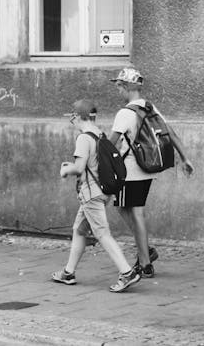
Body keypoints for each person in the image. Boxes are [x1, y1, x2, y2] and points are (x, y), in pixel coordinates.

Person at [109, 68, 194, 277]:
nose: (118, 90)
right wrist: (185, 158)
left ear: (128, 87)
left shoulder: (125, 113)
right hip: (148, 168)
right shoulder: (150, 108)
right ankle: (145, 254)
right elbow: (170, 133)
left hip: (129, 170)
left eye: (120, 86)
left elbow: (111, 144)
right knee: (132, 210)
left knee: (126, 209)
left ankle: (145, 260)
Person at [52, 100, 141, 293]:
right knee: (79, 230)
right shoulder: (100, 134)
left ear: (76, 117)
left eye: (72, 118)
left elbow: (79, 168)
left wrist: (65, 170)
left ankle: (127, 272)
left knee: (102, 234)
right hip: (100, 192)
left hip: (91, 194)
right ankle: (68, 272)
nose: (72, 122)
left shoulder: (84, 138)